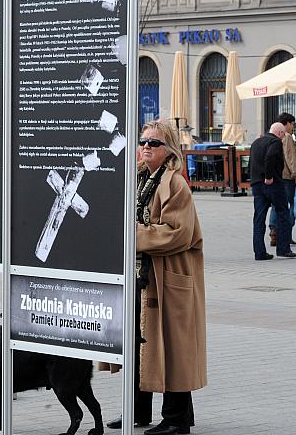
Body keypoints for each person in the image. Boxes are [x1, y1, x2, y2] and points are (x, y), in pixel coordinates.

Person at [130, 120, 207, 435]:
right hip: (143, 274)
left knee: (173, 347)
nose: (147, 147)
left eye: (155, 143)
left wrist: (132, 235)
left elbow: (178, 233)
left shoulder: (175, 184)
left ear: (168, 150)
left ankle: (175, 420)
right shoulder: (138, 178)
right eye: (143, 141)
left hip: (170, 274)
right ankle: (137, 410)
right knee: (138, 343)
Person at [250, 122, 296, 260]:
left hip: (257, 184)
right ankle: (283, 249)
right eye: (283, 136)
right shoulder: (275, 142)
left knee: (259, 218)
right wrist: (269, 176)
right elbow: (270, 157)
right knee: (283, 213)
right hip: (273, 184)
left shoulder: (256, 143)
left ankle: (259, 252)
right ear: (280, 133)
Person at [268, 113, 296, 247]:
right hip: (288, 177)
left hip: (278, 175)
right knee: (290, 205)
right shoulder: (288, 137)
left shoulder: (275, 137)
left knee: (275, 204)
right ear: (287, 123)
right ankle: (286, 233)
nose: (293, 126)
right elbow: (291, 158)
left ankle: (274, 230)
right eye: (292, 123)